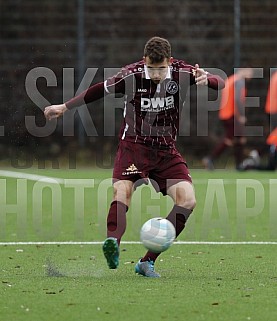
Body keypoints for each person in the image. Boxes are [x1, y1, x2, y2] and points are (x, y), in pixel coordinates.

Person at [44, 36, 225, 277]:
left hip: (165, 151)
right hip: (134, 147)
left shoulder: (182, 71)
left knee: (188, 201)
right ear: (144, 61)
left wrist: (208, 80)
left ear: (169, 62)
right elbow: (99, 90)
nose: (156, 74)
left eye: (161, 69)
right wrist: (65, 107)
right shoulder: (131, 75)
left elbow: (221, 83)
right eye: (152, 68)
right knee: (122, 192)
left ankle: (147, 262)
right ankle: (113, 243)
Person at [203, 68, 253, 170]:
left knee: (236, 139)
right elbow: (238, 99)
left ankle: (238, 164)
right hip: (232, 115)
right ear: (242, 70)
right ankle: (211, 158)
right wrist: (241, 115)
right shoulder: (239, 81)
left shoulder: (231, 79)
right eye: (249, 72)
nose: (251, 75)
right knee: (235, 140)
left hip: (225, 114)